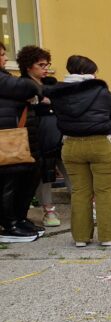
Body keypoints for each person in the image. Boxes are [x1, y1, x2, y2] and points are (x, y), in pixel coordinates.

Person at [48, 55, 111, 247]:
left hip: (71, 145)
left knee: (79, 192)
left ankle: (81, 238)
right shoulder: (99, 90)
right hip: (101, 143)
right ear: (89, 72)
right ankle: (107, 237)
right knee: (104, 192)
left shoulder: (58, 92)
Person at [0, 42, 43, 243]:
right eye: (1, 55)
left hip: (17, 137)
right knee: (9, 183)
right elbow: (26, 87)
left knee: (24, 180)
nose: (4, 59)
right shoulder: (5, 80)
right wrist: (30, 92)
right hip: (7, 140)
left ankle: (18, 218)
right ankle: (8, 224)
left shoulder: (6, 78)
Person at [17, 45, 63, 228]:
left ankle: (83, 207)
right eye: (41, 65)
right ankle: (48, 210)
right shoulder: (22, 85)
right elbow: (29, 105)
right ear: (29, 66)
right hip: (36, 134)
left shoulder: (51, 83)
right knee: (43, 173)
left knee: (69, 169)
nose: (45, 68)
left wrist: (46, 102)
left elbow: (58, 103)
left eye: (47, 64)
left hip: (58, 132)